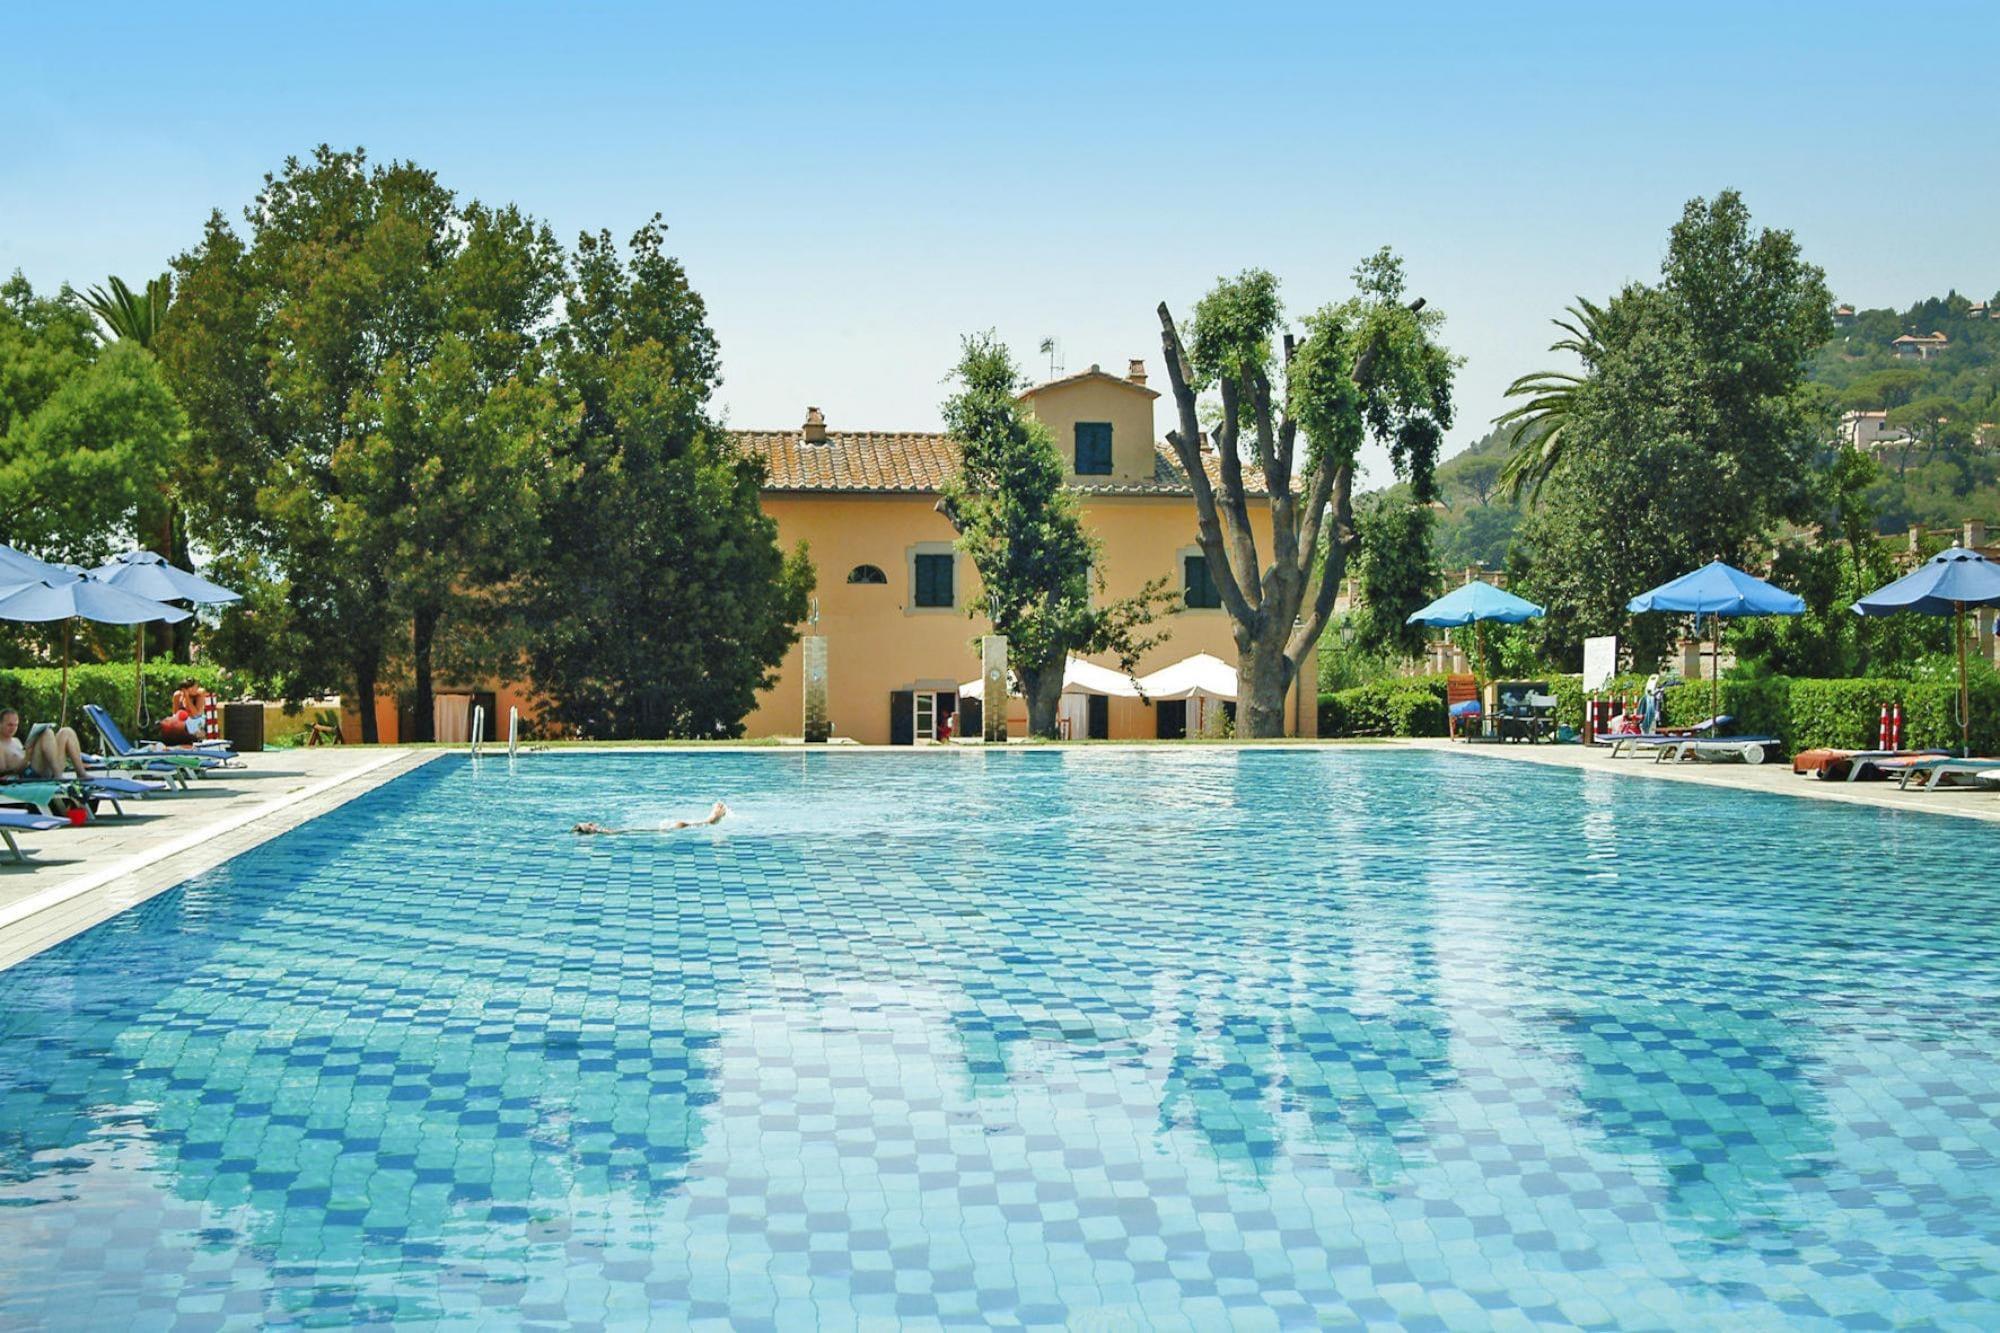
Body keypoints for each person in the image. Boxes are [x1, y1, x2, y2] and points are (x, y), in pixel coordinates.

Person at [0, 708, 88, 782]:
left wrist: (30, 751)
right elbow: (2, 773)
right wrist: (26, 758)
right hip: (28, 775)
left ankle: (81, 773)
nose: (13, 728)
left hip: (43, 768)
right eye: (10, 725)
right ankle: (58, 775)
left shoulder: (16, 740)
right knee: (47, 733)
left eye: (16, 725)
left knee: (66, 732)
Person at [572, 802, 728, 835]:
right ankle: (712, 819)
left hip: (659, 829)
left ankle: (711, 819)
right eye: (589, 825)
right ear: (591, 830)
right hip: (660, 830)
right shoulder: (607, 832)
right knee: (682, 824)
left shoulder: (606, 831)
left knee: (681, 824)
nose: (592, 823)